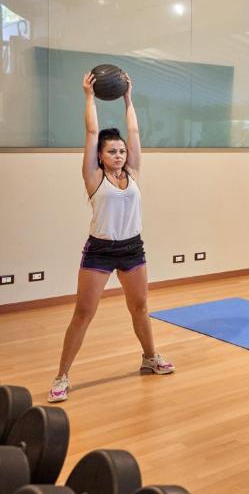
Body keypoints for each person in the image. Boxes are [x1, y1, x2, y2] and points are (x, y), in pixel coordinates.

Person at [48, 72, 174, 403]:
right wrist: (89, 96)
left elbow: (134, 132)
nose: (119, 155)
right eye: (112, 151)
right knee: (83, 312)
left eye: (121, 151)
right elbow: (91, 132)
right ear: (100, 156)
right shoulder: (93, 178)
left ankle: (150, 358)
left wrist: (128, 98)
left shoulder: (133, 173)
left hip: (133, 248)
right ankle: (62, 376)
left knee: (140, 307)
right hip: (100, 251)